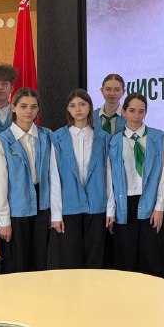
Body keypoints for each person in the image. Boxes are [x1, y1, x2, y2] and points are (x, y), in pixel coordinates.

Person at [49, 89, 115, 269]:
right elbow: (54, 177)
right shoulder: (58, 138)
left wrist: (110, 210)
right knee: (70, 259)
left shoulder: (103, 138)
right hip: (69, 207)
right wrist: (56, 214)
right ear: (68, 109)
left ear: (90, 107)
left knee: (95, 257)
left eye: (82, 104)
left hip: (97, 205)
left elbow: (109, 175)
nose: (78, 109)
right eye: (73, 105)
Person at [0, 88, 52, 273]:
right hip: (16, 210)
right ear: (14, 107)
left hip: (42, 208)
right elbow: (0, 184)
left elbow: (53, 176)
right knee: (16, 265)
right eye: (24, 106)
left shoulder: (47, 136)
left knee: (40, 263)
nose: (29, 111)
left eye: (33, 107)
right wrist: (4, 221)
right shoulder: (2, 141)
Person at [109, 93, 164, 277]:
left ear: (146, 113)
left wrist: (159, 207)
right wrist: (110, 211)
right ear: (124, 112)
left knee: (151, 256)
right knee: (126, 258)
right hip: (124, 204)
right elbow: (109, 178)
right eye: (132, 111)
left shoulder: (157, 138)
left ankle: (153, 293)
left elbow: (163, 174)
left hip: (149, 203)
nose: (136, 116)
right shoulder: (115, 141)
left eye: (141, 111)